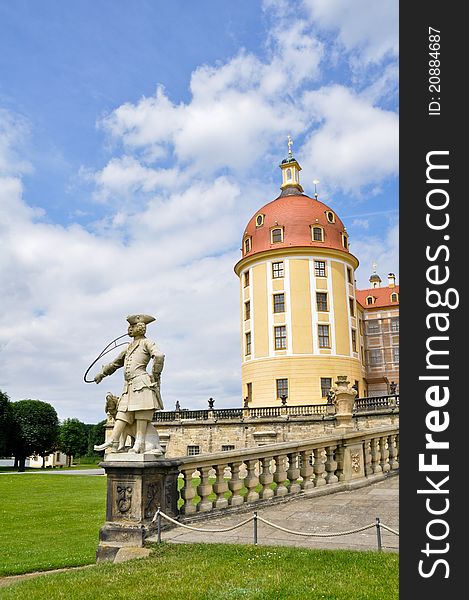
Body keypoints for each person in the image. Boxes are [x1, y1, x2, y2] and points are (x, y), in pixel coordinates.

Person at [93, 314, 165, 454]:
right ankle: (113, 440)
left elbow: (159, 356)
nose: (129, 329)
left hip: (142, 383)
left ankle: (139, 443)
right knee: (122, 412)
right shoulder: (129, 347)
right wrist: (102, 373)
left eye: (132, 327)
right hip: (129, 386)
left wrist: (155, 375)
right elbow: (115, 363)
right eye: (129, 326)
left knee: (141, 414)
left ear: (140, 328)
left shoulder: (147, 342)